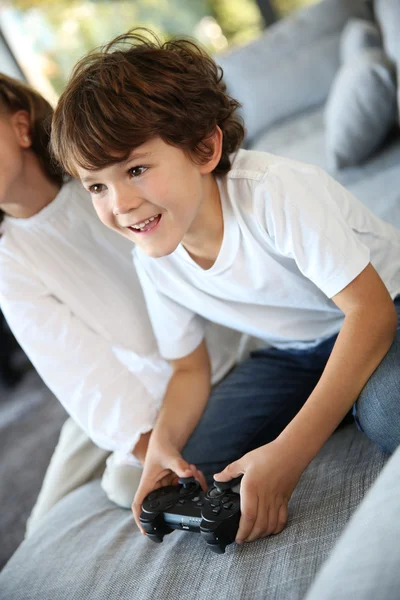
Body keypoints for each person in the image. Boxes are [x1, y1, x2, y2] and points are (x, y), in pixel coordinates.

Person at [51, 30, 400, 546]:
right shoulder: (154, 256)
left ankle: (352, 401)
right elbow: (190, 369)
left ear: (205, 148)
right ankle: (339, 399)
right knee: (185, 464)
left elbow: (370, 314)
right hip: (294, 353)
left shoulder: (275, 193)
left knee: (387, 410)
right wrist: (163, 446)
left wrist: (289, 453)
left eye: (137, 169)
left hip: (381, 311)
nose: (119, 204)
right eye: (97, 185)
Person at [0, 72, 255, 536]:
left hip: (191, 353)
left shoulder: (103, 178)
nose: (113, 197)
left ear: (20, 128)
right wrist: (151, 450)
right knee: (50, 516)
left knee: (115, 471)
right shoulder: (11, 263)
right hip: (127, 377)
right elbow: (81, 375)